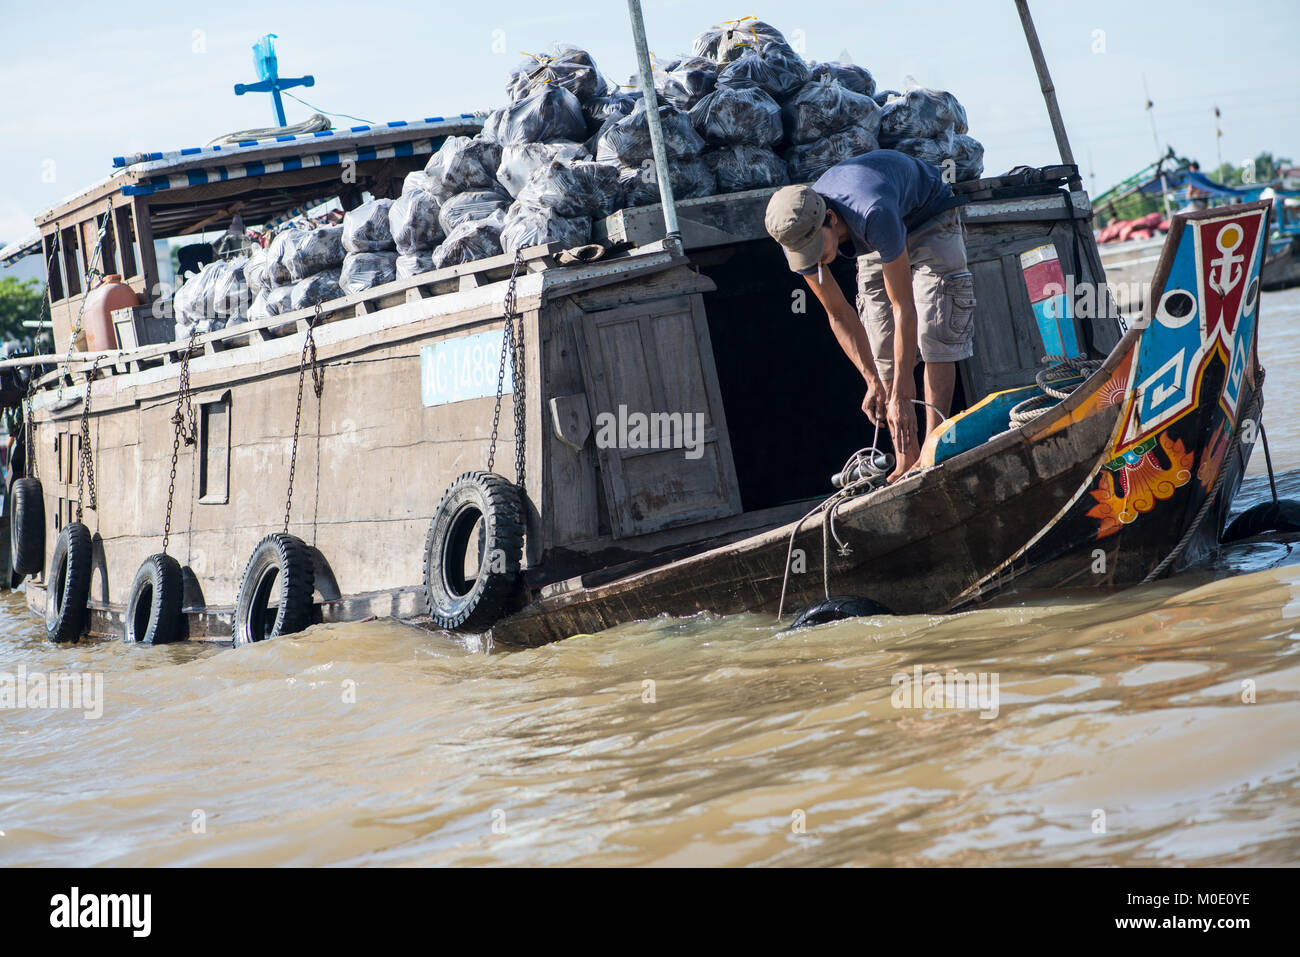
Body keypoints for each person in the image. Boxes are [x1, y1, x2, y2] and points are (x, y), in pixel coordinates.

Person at [764, 149, 976, 481]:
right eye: (805, 256)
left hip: (925, 218)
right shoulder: (800, 236)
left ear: (831, 219)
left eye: (816, 249)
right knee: (882, 350)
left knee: (934, 329)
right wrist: (872, 381)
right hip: (875, 242)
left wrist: (904, 391)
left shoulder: (873, 211)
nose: (815, 261)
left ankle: (934, 453)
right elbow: (837, 314)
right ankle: (907, 461)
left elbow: (903, 306)